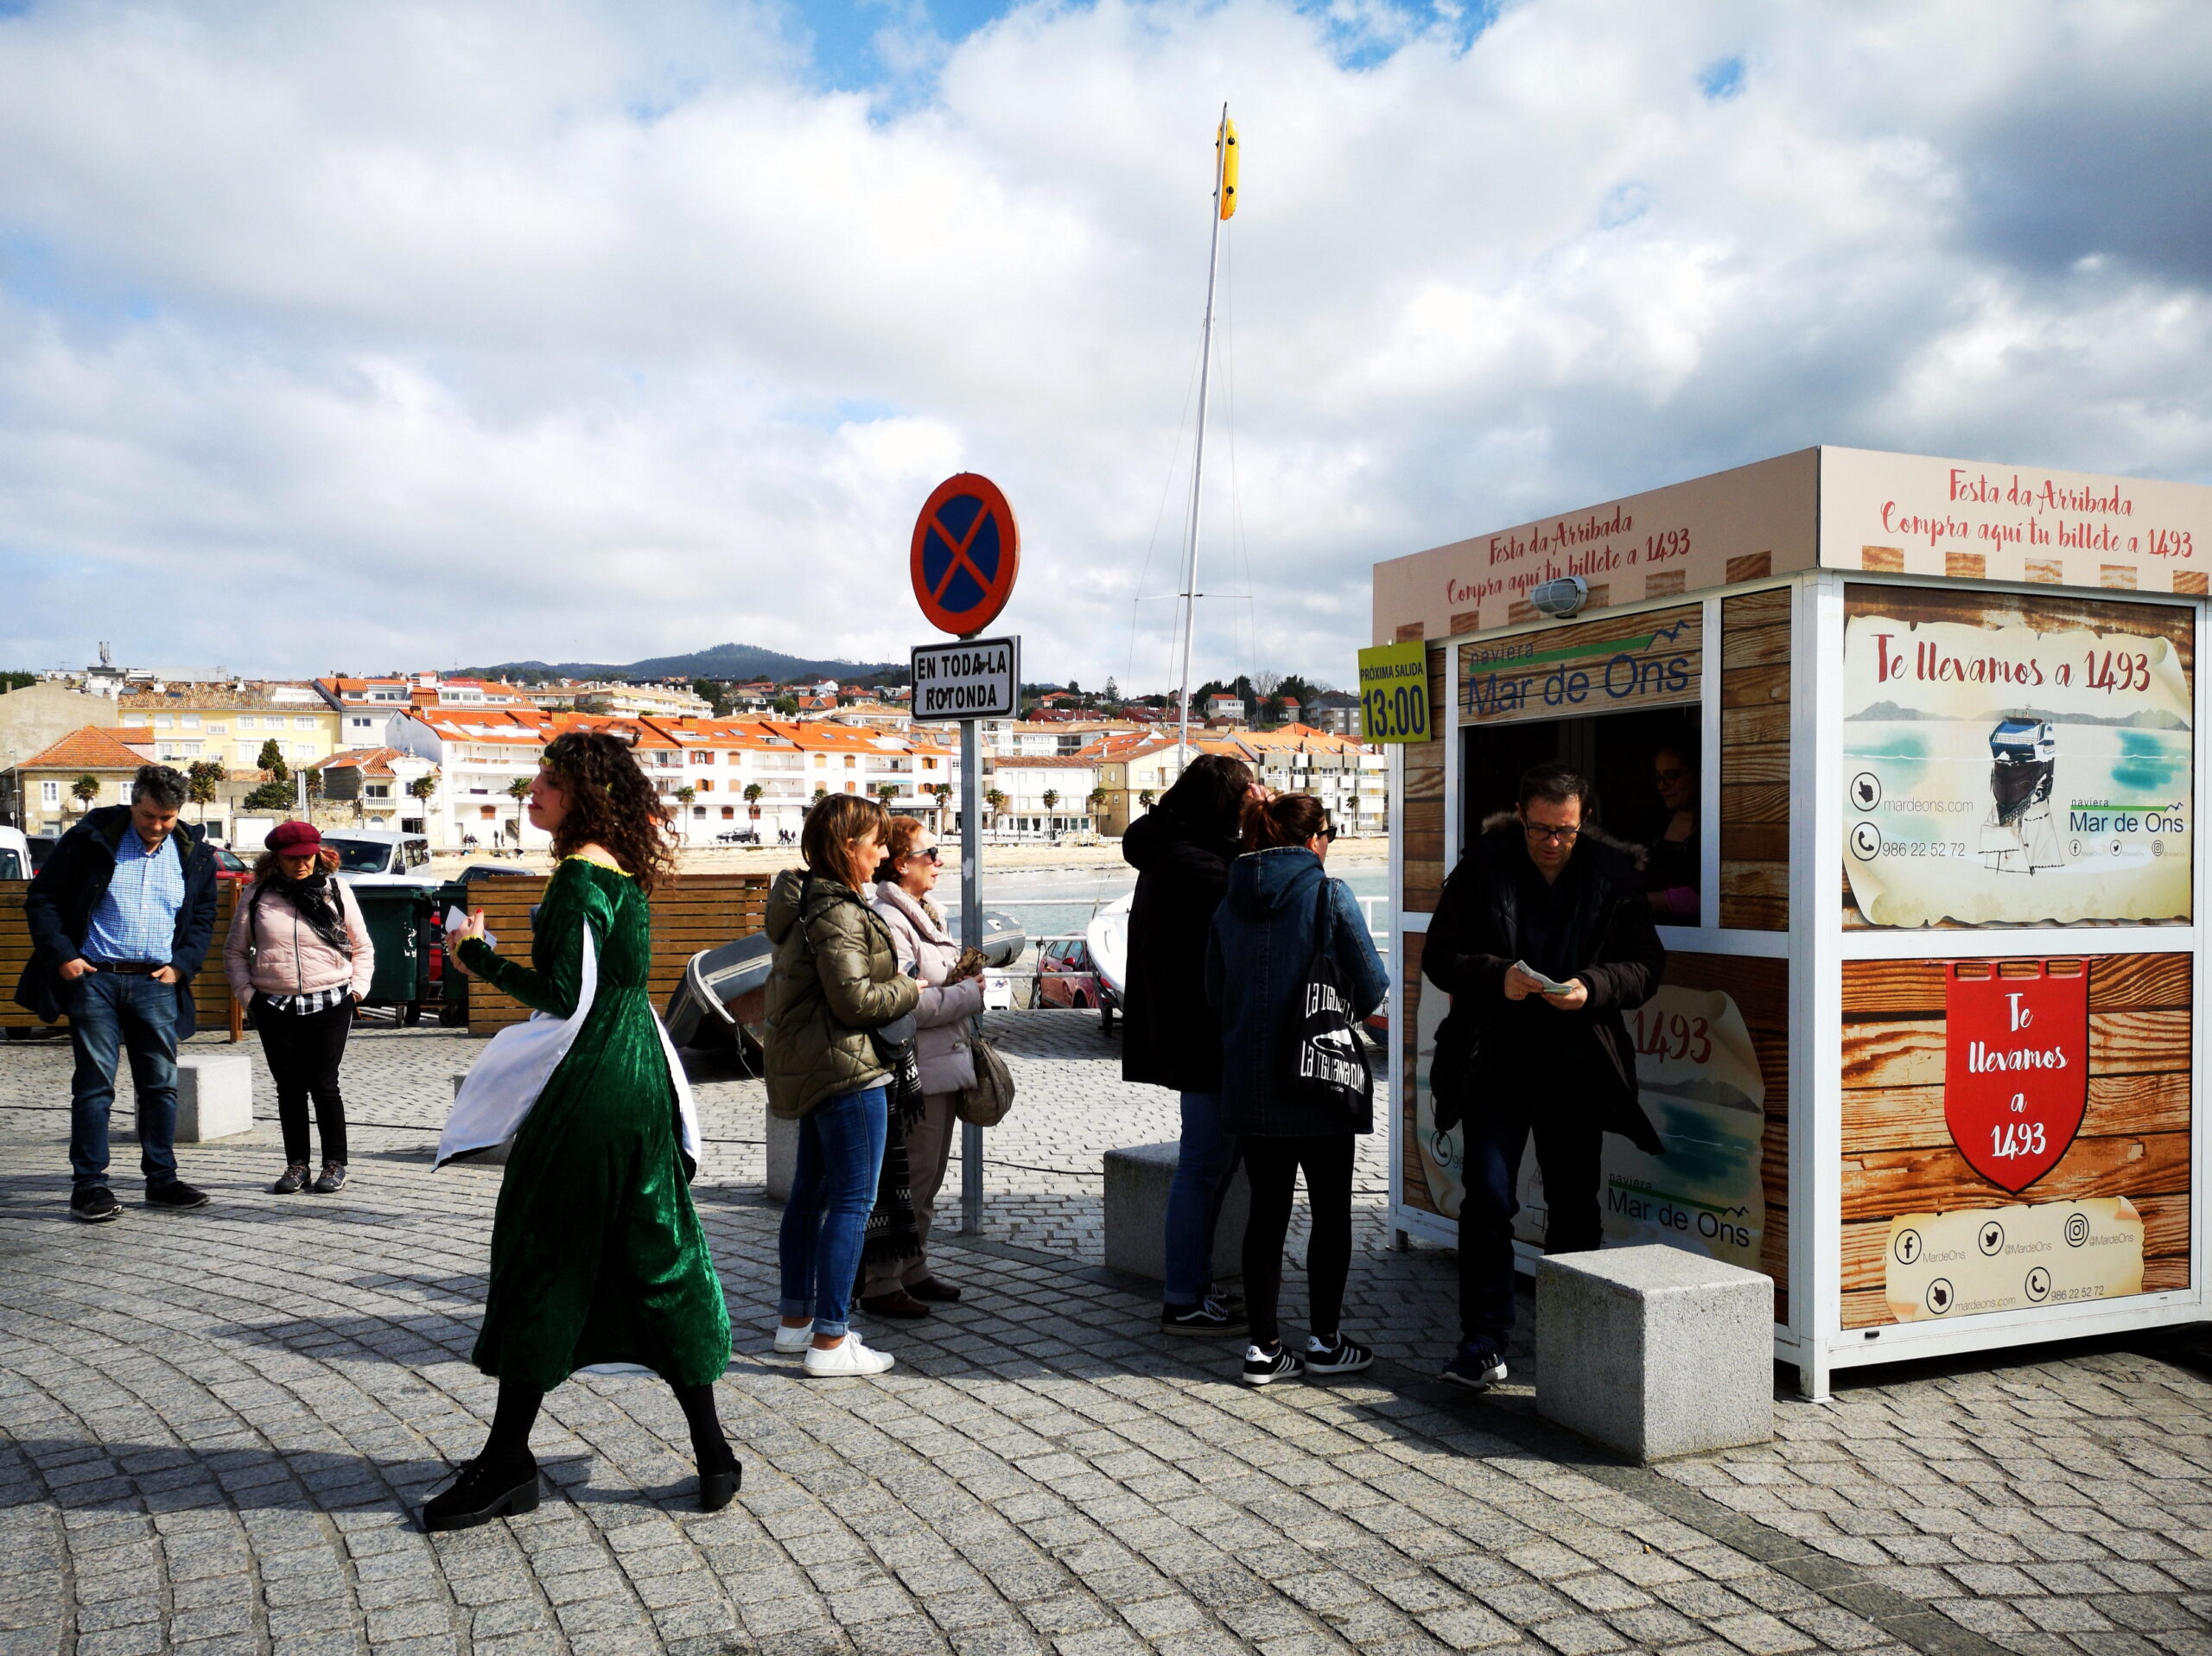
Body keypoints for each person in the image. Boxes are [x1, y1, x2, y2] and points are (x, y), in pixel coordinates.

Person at [426, 731, 737, 1529]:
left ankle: (506, 1464)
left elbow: (566, 995)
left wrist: (475, 956)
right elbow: (613, 987)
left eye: (548, 783)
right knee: (656, 1251)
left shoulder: (575, 877)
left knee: (544, 1254)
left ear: (582, 796)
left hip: (593, 1082)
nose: (532, 793)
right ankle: (713, 1453)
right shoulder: (625, 875)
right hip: (641, 1075)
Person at [1422, 761, 1665, 1392]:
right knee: (1489, 1200)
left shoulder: (1614, 876)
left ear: (1584, 820)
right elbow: (1439, 956)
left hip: (1576, 1064)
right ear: (1521, 814)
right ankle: (1482, 1342)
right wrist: (1494, 975)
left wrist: (1595, 987)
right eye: (1540, 829)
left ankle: (1573, 1343)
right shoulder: (1483, 865)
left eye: (1566, 831)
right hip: (1494, 1060)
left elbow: (1645, 965)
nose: (1553, 842)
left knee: (1575, 1207)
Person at [1206, 796, 1389, 1385]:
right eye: (1330, 833)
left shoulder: (1229, 901)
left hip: (1252, 1085)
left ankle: (1263, 1348)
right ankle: (1326, 1341)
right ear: (1314, 840)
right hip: (1320, 1082)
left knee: (1266, 1212)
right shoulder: (1329, 895)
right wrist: (1335, 1012)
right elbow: (1373, 984)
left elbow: (1215, 992)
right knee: (1331, 1212)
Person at [16, 764, 218, 1222]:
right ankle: (89, 1186)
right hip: (94, 979)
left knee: (161, 1087)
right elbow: (42, 899)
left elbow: (203, 917)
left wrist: (182, 967)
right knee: (94, 1087)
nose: (157, 827)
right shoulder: (90, 840)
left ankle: (162, 1180)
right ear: (134, 803)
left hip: (157, 982)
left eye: (167, 818)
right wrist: (64, 957)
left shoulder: (192, 851)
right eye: (149, 816)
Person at [765, 794, 919, 1377]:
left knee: (809, 1195)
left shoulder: (805, 900)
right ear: (845, 846)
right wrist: (909, 989)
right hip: (849, 1071)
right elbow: (854, 999)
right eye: (875, 842)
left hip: (818, 1067)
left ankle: (796, 1321)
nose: (883, 852)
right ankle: (831, 1340)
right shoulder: (838, 909)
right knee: (852, 1202)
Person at [1122, 752, 1260, 1336]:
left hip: (1198, 1034)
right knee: (1203, 1167)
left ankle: (1196, 1285)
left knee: (1212, 1167)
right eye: (1249, 797)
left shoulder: (1175, 849)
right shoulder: (1195, 864)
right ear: (1225, 805)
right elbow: (1258, 901)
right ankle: (1183, 1295)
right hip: (1206, 1038)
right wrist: (1262, 832)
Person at [862, 816, 985, 1317]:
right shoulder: (891, 921)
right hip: (917, 1072)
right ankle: (880, 1282)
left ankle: (914, 1268)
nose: (940, 861)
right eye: (930, 853)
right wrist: (966, 994)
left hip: (942, 1064)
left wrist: (957, 988)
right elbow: (905, 1004)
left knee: (930, 1177)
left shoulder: (926, 912)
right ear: (900, 863)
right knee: (909, 1177)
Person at [224, 822, 373, 1195]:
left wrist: (356, 990)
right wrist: (249, 996)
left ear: (317, 853)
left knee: (324, 1085)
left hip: (331, 999)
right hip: (274, 1003)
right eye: (292, 858)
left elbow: (362, 946)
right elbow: (235, 950)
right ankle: (296, 1166)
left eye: (307, 856)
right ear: (277, 858)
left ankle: (335, 1164)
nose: (301, 864)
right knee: (289, 1087)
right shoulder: (258, 893)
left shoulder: (335, 889)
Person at [1644, 744, 1699, 923]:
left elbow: (1707, 897)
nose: (1662, 786)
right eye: (1658, 777)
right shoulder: (1656, 822)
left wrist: (1643, 901)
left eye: (1672, 776)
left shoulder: (1713, 827)